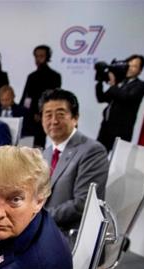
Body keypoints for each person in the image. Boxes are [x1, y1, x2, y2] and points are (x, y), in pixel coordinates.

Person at [40, 88, 109, 232]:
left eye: (60, 114)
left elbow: (82, 204)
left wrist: (38, 218)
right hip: (44, 230)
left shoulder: (92, 150)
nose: (54, 121)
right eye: (48, 115)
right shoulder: (44, 154)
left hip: (70, 235)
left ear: (75, 118)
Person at [95, 54, 144, 150]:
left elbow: (127, 98)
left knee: (117, 162)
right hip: (106, 128)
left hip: (121, 131)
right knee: (98, 157)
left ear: (140, 71)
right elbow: (101, 98)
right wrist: (99, 81)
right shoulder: (120, 82)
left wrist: (113, 84)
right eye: (129, 65)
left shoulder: (141, 85)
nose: (130, 68)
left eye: (134, 66)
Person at [20, 45, 62, 147]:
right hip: (28, 117)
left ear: (47, 57)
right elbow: (26, 98)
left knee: (38, 147)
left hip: (43, 116)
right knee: (24, 147)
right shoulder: (31, 76)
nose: (38, 59)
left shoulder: (54, 76)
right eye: (36, 56)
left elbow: (52, 98)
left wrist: (41, 112)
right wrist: (22, 111)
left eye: (41, 56)